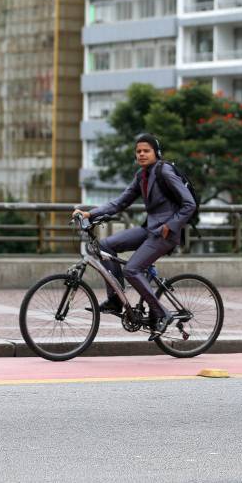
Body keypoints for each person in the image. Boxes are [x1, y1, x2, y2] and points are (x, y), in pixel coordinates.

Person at [72, 133, 196, 340]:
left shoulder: (165, 171)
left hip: (166, 233)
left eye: (146, 150)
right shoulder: (142, 176)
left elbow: (189, 203)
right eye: (138, 151)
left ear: (156, 152)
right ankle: (116, 300)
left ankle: (162, 313)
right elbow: (120, 203)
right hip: (150, 228)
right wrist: (90, 214)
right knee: (105, 245)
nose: (141, 154)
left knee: (131, 269)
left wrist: (171, 225)